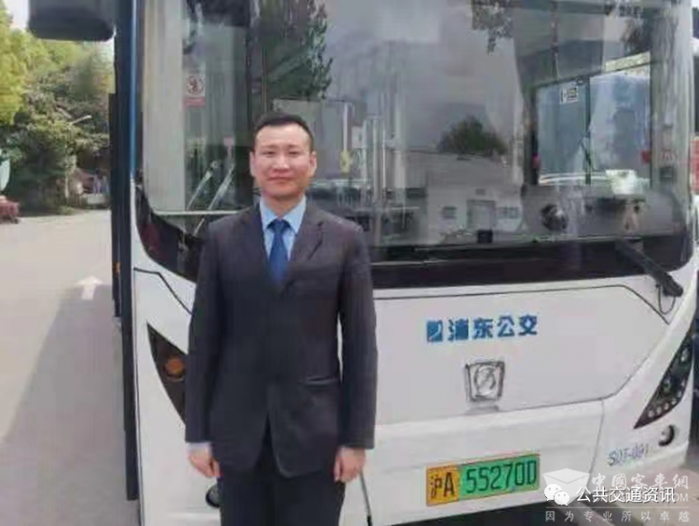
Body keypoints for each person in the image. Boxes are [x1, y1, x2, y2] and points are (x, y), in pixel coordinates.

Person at [185, 111, 378, 526]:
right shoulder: (222, 238)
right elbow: (203, 341)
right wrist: (197, 434)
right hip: (238, 439)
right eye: (270, 153)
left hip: (317, 439)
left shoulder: (344, 239)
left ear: (312, 162)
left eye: (293, 152)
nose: (281, 164)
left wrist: (356, 439)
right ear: (253, 163)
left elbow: (361, 347)